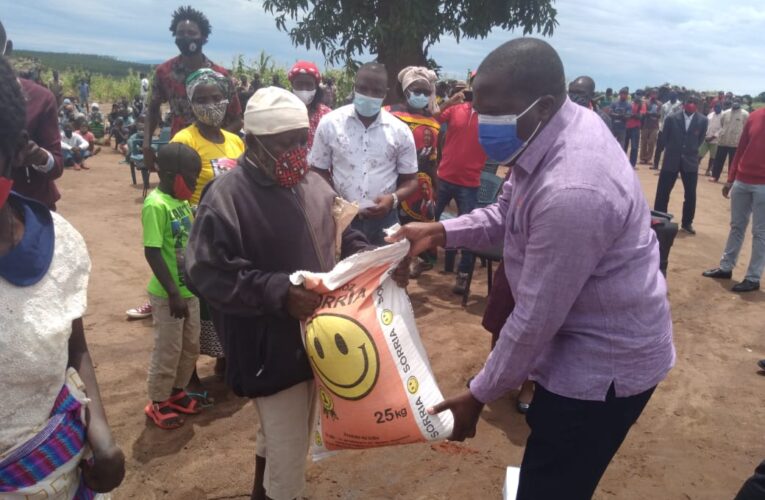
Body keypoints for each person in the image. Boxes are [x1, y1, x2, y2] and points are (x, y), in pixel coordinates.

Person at [389, 38, 674, 500]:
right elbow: (506, 215)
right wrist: (439, 232)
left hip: (602, 369)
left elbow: (535, 319)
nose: (483, 125)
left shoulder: (574, 189)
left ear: (541, 106)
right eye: (478, 110)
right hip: (575, 347)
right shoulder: (541, 136)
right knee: (550, 460)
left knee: (554, 483)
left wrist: (479, 394)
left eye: (495, 112)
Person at [185, 86, 409, 500]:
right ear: (252, 142)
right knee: (289, 455)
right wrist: (278, 292)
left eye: (300, 141)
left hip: (314, 342)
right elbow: (206, 272)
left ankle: (262, 492)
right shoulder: (228, 197)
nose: (294, 152)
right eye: (282, 143)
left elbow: (344, 231)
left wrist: (372, 256)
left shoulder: (313, 185)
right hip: (267, 349)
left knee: (276, 436)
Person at [0, 54, 125, 498]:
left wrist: (103, 436)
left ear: (14, 153)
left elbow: (74, 345)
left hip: (55, 472)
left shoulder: (58, 247)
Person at [170, 68, 244, 385]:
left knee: (228, 298)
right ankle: (190, 375)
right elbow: (174, 190)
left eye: (216, 97)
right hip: (195, 231)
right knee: (196, 303)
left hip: (230, 230)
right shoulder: (184, 140)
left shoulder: (235, 141)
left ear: (226, 101)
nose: (210, 104)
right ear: (191, 104)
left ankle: (227, 361)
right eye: (202, 99)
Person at [309, 62, 418, 246]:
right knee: (342, 272)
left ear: (385, 93)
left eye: (376, 91)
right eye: (363, 89)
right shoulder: (330, 123)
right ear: (354, 87)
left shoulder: (400, 131)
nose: (369, 96)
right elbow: (317, 170)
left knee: (387, 272)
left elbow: (411, 180)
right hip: (342, 219)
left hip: (385, 222)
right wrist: (333, 198)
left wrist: (392, 199)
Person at [142, 142, 204, 429]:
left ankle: (177, 391)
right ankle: (158, 401)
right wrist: (173, 292)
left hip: (190, 291)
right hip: (169, 295)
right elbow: (153, 251)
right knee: (168, 348)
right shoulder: (156, 205)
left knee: (190, 346)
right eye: (190, 176)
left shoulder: (181, 203)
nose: (193, 182)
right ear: (169, 174)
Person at [142, 6, 243, 173]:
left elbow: (237, 120)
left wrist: (211, 140)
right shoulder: (165, 72)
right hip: (179, 150)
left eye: (191, 33)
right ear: (175, 37)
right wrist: (146, 144)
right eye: (180, 33)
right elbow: (152, 110)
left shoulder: (220, 75)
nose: (186, 37)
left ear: (203, 37)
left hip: (216, 156)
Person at [430, 72, 489, 294]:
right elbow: (433, 118)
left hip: (470, 183)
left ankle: (463, 274)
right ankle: (423, 260)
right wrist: (449, 101)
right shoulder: (456, 109)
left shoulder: (491, 117)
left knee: (469, 230)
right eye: (475, 85)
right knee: (428, 220)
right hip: (443, 177)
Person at [0, 20, 66, 211]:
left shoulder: (40, 99)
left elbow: (57, 165)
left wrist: (38, 156)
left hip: (31, 209)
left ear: (7, 49)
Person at [385, 65, 441, 277]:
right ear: (405, 90)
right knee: (394, 233)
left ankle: (412, 263)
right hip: (396, 185)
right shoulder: (389, 115)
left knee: (422, 231)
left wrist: (436, 188)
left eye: (425, 92)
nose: (421, 96)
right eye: (416, 91)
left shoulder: (433, 123)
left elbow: (434, 158)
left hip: (423, 187)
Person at [702, 107, 765, 293]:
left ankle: (753, 278)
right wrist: (731, 178)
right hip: (742, 180)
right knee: (736, 225)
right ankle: (726, 267)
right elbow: (741, 148)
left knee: (760, 232)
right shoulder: (754, 116)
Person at [654, 94, 707, 235]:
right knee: (663, 192)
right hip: (671, 159)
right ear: (684, 104)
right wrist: (673, 150)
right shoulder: (672, 118)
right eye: (689, 102)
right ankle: (659, 218)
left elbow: (700, 140)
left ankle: (687, 222)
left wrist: (689, 150)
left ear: (698, 105)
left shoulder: (702, 120)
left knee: (690, 194)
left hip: (690, 161)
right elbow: (664, 138)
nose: (691, 104)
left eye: (694, 102)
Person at [287, 60, 332, 149]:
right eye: (299, 84)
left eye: (309, 84)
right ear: (292, 85)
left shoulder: (327, 116)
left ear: (316, 86)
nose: (304, 89)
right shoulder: (283, 113)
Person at [710, 98, 749, 183]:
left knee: (733, 163)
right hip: (723, 141)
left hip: (736, 143)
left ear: (740, 103)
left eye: (738, 102)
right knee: (718, 160)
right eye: (734, 102)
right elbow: (722, 124)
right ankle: (714, 176)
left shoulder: (745, 114)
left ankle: (730, 179)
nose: (735, 103)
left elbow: (746, 127)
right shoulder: (726, 113)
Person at [652, 90, 683, 170]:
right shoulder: (665, 105)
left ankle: (667, 166)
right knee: (659, 148)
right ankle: (655, 165)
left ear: (676, 97)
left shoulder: (680, 106)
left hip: (674, 131)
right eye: (671, 95)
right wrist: (661, 128)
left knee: (670, 150)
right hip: (663, 130)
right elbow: (661, 118)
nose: (672, 97)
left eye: (674, 95)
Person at [700, 102, 723, 176]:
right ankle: (694, 168)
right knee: (699, 154)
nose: (716, 109)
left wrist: (713, 137)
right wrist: (704, 135)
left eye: (718, 107)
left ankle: (708, 171)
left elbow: (722, 128)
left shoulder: (723, 116)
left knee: (712, 157)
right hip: (706, 138)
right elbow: (705, 125)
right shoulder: (710, 115)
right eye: (715, 107)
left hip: (716, 140)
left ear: (721, 107)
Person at [640, 89, 661, 164]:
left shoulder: (659, 104)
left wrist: (650, 114)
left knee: (652, 142)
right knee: (644, 142)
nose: (654, 95)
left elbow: (659, 115)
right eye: (653, 93)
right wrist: (652, 114)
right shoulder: (646, 102)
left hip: (655, 126)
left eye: (655, 93)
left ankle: (648, 158)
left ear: (657, 94)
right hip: (645, 125)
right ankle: (642, 158)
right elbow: (644, 113)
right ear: (650, 94)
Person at [625, 90, 645, 167]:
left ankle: (632, 164)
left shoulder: (642, 105)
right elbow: (627, 114)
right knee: (624, 146)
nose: (638, 96)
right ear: (635, 94)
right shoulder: (630, 103)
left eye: (640, 95)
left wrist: (631, 115)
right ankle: (623, 162)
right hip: (627, 127)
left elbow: (640, 117)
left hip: (635, 128)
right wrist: (633, 115)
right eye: (637, 94)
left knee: (634, 147)